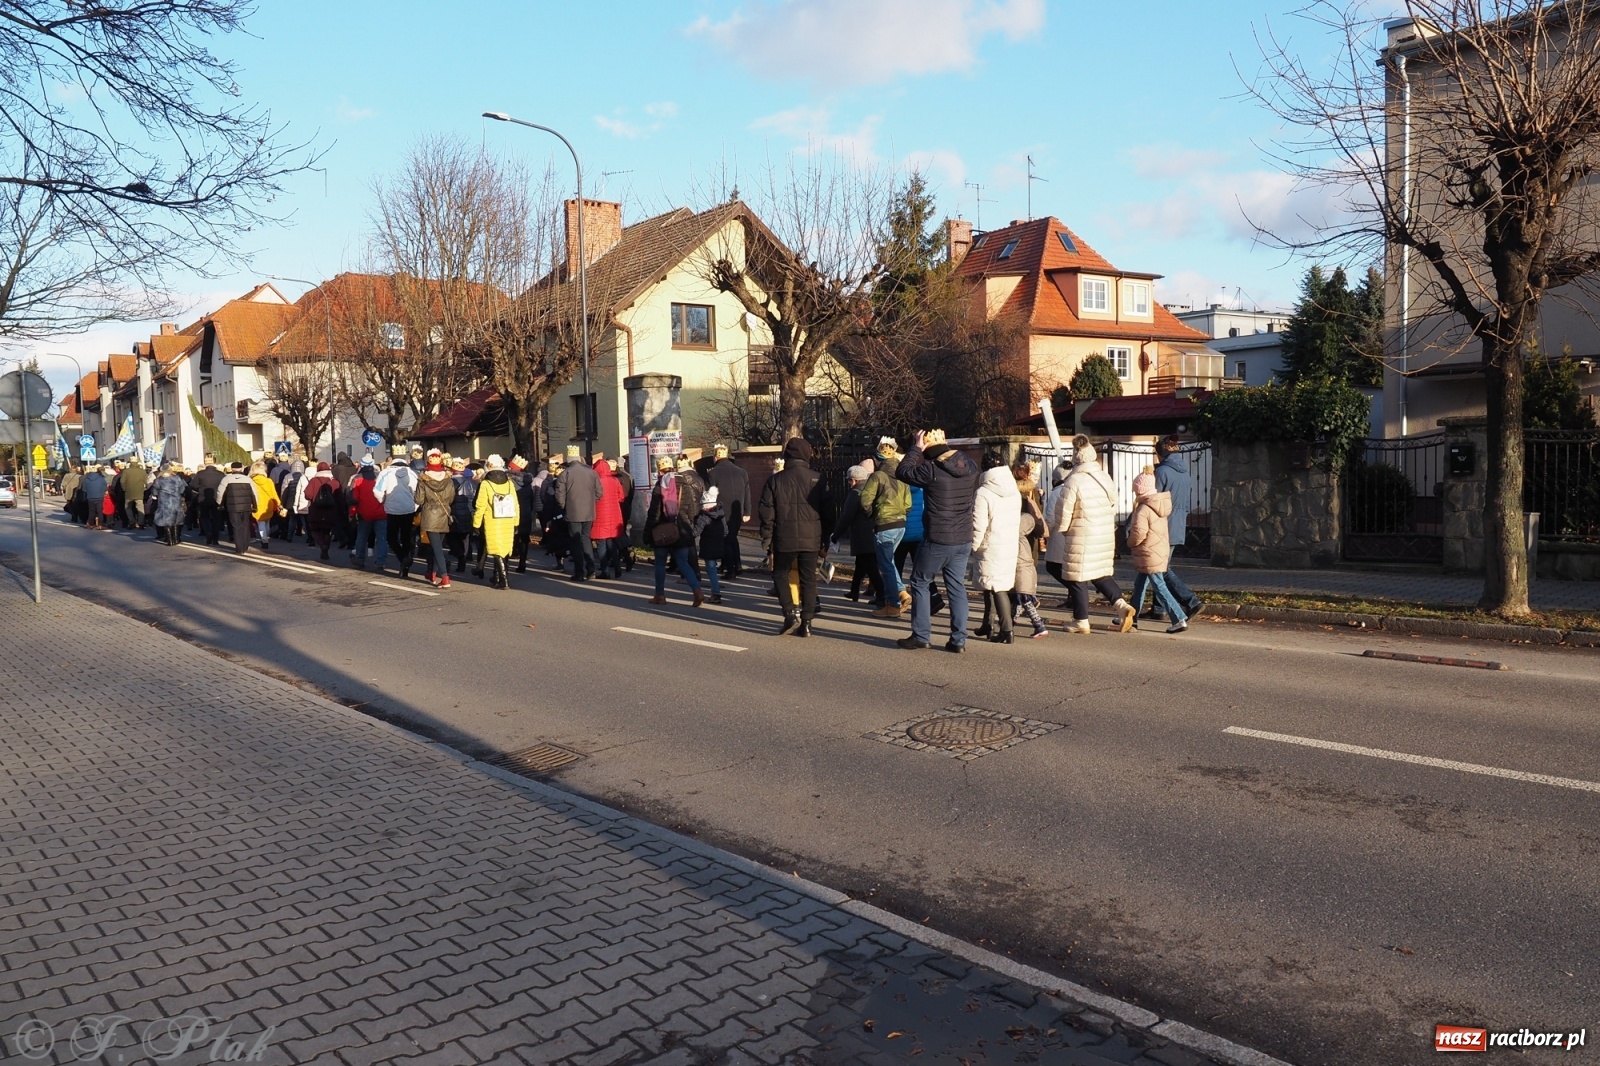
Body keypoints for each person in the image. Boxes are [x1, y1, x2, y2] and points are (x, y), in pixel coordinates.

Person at [894, 429, 979, 652]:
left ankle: (921, 635)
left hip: (938, 538)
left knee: (920, 581)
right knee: (956, 587)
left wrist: (915, 448)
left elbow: (902, 471)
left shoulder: (931, 471)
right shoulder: (970, 467)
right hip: (963, 538)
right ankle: (958, 640)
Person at [1047, 435, 1136, 635]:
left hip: (1081, 533)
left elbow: (1064, 510)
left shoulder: (1074, 480)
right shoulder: (1104, 477)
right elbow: (1113, 502)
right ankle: (1122, 606)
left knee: (1076, 576)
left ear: (1076, 458)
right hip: (1103, 531)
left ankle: (1081, 620)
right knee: (1100, 573)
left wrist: (1063, 529)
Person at [758, 437, 830, 635]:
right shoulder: (818, 478)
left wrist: (767, 539)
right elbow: (828, 512)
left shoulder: (775, 480)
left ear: (787, 456)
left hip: (784, 537)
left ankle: (789, 613)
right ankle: (807, 622)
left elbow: (766, 512)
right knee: (809, 578)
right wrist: (826, 539)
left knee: (780, 573)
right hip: (812, 537)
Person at [1127, 470, 1190, 634]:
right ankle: (1130, 618)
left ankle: (1179, 618)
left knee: (1160, 587)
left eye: (1135, 490)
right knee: (1139, 585)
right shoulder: (1158, 505)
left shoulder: (1143, 509)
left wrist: (1129, 543)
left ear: (1140, 490)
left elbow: (1138, 533)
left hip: (1148, 554)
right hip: (1156, 551)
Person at [971, 451, 1022, 644]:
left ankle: (1007, 630)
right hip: (1008, 543)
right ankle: (988, 623)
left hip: (990, 544)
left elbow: (978, 524)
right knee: (992, 584)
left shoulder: (983, 492)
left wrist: (974, 546)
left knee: (995, 586)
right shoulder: (1013, 489)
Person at [1150, 436, 1203, 620]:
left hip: (1163, 525)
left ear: (1160, 454)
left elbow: (1154, 501)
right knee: (1160, 566)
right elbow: (1186, 504)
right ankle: (1158, 609)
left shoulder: (1162, 472)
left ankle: (1191, 601)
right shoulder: (1184, 472)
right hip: (1178, 523)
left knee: (1161, 568)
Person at [859, 437, 912, 619]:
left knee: (886, 566)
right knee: (889, 563)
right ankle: (902, 594)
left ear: (878, 458)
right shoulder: (902, 477)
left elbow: (865, 501)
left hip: (884, 524)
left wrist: (872, 515)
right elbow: (908, 504)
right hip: (901, 524)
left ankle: (893, 605)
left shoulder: (877, 476)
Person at [646, 454, 705, 607]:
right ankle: (697, 591)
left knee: (660, 563)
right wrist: (688, 524)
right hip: (682, 530)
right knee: (683, 563)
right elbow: (691, 509)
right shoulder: (685, 484)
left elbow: (654, 514)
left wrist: (648, 533)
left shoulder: (660, 487)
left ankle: (660, 595)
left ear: (660, 470)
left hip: (663, 531)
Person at [832, 464, 880, 606]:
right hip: (873, 532)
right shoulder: (872, 489)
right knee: (861, 563)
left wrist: (836, 535)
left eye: (849, 480)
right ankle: (854, 590)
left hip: (862, 534)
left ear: (855, 480)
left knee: (870, 567)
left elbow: (847, 516)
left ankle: (883, 594)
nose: (848, 483)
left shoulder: (855, 493)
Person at [556, 444, 603, 582]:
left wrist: (565, 506)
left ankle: (579, 572)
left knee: (575, 542)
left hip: (573, 512)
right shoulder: (591, 472)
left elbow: (559, 496)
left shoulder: (565, 474)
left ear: (569, 459)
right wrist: (590, 502)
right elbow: (600, 493)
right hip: (589, 512)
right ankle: (591, 569)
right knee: (586, 539)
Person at [1013, 466, 1050, 639]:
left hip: (1021, 550)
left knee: (1022, 592)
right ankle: (1013, 617)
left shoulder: (1018, 500)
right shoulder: (1033, 497)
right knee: (1022, 590)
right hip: (1029, 549)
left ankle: (1038, 624)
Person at [473, 455, 519, 589]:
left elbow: (480, 506)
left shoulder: (485, 484)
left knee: (496, 548)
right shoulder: (509, 483)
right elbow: (516, 504)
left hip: (492, 520)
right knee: (504, 548)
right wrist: (516, 521)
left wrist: (476, 524)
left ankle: (503, 580)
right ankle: (498, 577)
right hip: (508, 519)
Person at [706, 444, 751, 579]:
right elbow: (747, 493)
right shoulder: (742, 472)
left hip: (721, 512)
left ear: (715, 457)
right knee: (732, 538)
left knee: (726, 541)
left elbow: (710, 495)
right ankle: (737, 565)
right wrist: (747, 511)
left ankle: (730, 570)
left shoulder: (712, 473)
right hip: (737, 512)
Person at [414, 450, 456, 587]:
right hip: (444, 514)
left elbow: (419, 500)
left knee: (436, 548)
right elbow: (451, 498)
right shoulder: (448, 479)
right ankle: (432, 573)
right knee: (437, 546)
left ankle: (444, 577)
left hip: (430, 515)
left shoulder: (423, 479)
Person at [374, 453, 419, 578]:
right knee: (406, 538)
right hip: (409, 509)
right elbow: (418, 492)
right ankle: (404, 568)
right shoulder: (412, 473)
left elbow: (377, 490)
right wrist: (414, 506)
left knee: (391, 537)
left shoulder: (386, 473)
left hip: (392, 509)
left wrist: (383, 501)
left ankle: (402, 557)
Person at [591, 455, 625, 579]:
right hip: (614, 515)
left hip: (600, 516)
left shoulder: (595, 481)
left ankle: (605, 571)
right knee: (611, 544)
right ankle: (617, 568)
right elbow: (621, 497)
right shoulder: (615, 480)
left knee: (601, 545)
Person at [348, 458, 386, 569]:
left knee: (362, 537)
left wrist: (352, 514)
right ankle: (381, 562)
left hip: (364, 513)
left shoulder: (357, 479)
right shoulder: (379, 477)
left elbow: (353, 499)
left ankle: (360, 559)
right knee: (381, 538)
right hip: (381, 512)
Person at [301, 462, 343, 560]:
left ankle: (322, 545)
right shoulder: (334, 481)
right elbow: (339, 497)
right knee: (326, 531)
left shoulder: (313, 481)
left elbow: (308, 495)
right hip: (330, 511)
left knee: (314, 530)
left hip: (316, 510)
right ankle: (325, 549)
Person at [693, 486, 727, 604]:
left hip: (708, 546)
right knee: (712, 568)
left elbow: (695, 533)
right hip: (719, 544)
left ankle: (716, 593)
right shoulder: (721, 514)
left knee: (711, 569)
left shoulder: (704, 517)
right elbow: (726, 531)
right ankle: (715, 592)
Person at [217, 462, 257, 554]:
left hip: (232, 506)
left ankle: (239, 548)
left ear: (231, 469)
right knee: (245, 525)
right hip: (246, 507)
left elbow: (220, 493)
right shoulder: (248, 479)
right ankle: (245, 545)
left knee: (236, 527)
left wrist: (220, 504)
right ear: (242, 469)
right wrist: (255, 506)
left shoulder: (226, 479)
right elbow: (254, 494)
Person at [447, 458, 477, 574]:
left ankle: (460, 557)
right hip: (468, 512)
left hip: (454, 512)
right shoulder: (470, 482)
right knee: (465, 537)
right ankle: (464, 556)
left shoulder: (450, 482)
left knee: (452, 537)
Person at [189, 455, 224, 545]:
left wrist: (200, 489)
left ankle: (208, 532)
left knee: (204, 517)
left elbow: (193, 485)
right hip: (217, 498)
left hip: (203, 497)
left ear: (205, 463)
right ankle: (215, 538)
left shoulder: (200, 474)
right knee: (216, 518)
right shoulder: (220, 474)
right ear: (215, 462)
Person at [151, 463, 186, 545]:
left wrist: (155, 495)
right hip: (176, 500)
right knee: (176, 520)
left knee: (166, 521)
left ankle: (170, 540)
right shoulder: (177, 478)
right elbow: (182, 488)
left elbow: (154, 490)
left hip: (164, 501)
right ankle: (176, 539)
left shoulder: (159, 479)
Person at [249, 462, 282, 550]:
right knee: (267, 520)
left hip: (257, 503)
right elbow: (273, 494)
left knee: (260, 521)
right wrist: (279, 503)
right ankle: (266, 536)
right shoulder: (268, 481)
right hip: (268, 504)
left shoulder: (251, 481)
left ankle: (264, 539)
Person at [121, 459, 148, 529]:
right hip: (139, 493)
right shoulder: (142, 471)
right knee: (140, 509)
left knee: (128, 508)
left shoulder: (126, 471)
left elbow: (122, 481)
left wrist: (124, 489)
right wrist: (144, 489)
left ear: (130, 463)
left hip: (129, 493)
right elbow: (146, 482)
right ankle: (141, 523)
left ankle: (132, 522)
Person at [82, 465, 108, 530]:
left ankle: (90, 523)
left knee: (91, 511)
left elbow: (84, 489)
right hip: (99, 497)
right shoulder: (101, 478)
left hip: (90, 497)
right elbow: (105, 487)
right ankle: (100, 525)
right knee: (100, 511)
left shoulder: (86, 479)